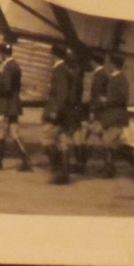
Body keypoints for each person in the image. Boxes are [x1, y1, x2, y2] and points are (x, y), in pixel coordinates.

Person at [0, 41, 32, 172]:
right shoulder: (16, 66)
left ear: (2, 54)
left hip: (4, 104)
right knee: (14, 133)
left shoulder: (7, 67)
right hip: (13, 105)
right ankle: (25, 160)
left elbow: (6, 87)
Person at [40, 44, 79, 184]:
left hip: (57, 113)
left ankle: (57, 170)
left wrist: (55, 111)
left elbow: (62, 94)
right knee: (63, 143)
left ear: (54, 56)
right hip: (67, 114)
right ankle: (64, 174)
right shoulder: (68, 70)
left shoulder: (60, 70)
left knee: (47, 140)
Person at [93, 52, 131, 177]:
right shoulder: (114, 78)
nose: (106, 65)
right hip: (111, 115)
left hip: (116, 115)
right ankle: (108, 167)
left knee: (109, 142)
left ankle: (109, 169)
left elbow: (123, 98)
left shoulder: (120, 79)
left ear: (114, 64)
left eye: (108, 63)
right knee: (108, 142)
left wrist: (106, 100)